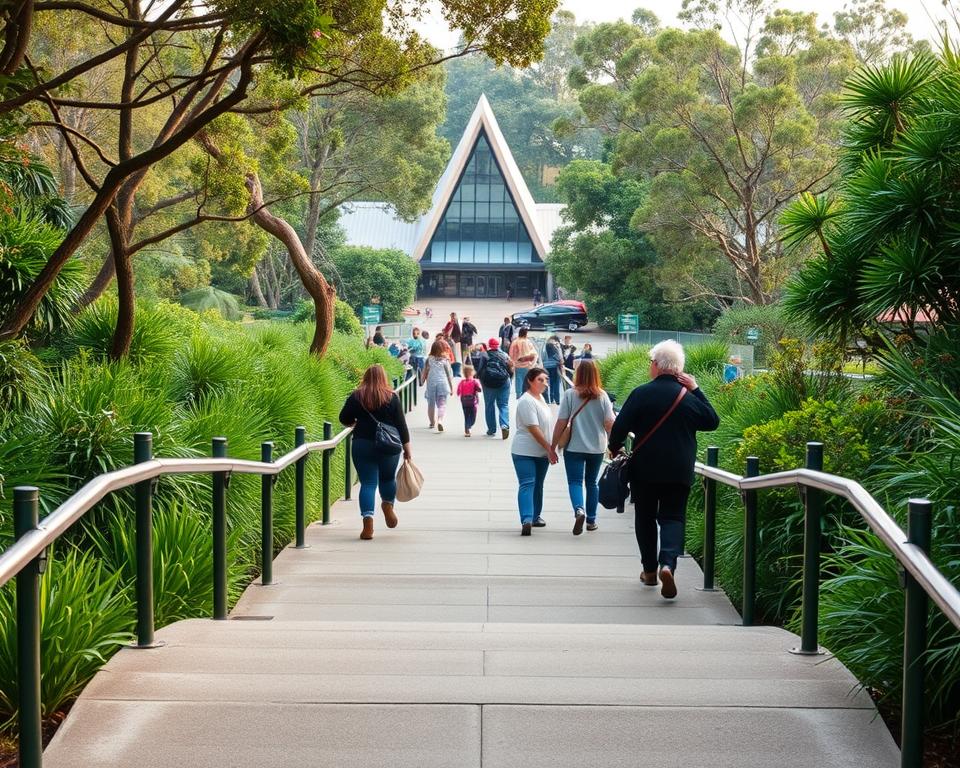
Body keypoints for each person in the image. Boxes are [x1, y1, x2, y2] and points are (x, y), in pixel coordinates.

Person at [608, 340, 720, 599]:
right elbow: (712, 421)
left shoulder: (641, 393)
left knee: (645, 518)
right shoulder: (688, 398)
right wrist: (697, 389)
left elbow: (620, 426)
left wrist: (615, 448)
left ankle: (649, 572)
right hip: (678, 469)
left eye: (651, 363)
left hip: (645, 468)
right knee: (673, 517)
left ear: (657, 365)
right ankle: (667, 564)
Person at [338, 364, 411, 541]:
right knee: (387, 478)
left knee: (368, 483)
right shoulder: (391, 397)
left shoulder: (357, 396)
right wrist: (407, 450)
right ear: (383, 378)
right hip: (389, 446)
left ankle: (368, 523)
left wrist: (354, 422)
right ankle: (387, 505)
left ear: (366, 377)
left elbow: (343, 418)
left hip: (362, 443)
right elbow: (401, 425)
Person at [551, 360, 615, 536]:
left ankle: (579, 510)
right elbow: (609, 424)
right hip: (597, 448)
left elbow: (562, 422)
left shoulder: (570, 394)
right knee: (592, 483)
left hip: (574, 447)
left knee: (575, 482)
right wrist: (613, 445)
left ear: (578, 374)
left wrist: (553, 445)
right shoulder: (602, 396)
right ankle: (592, 520)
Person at [511, 368, 558, 536]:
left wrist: (549, 448)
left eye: (546, 379)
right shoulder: (526, 401)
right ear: (530, 380)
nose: (544, 383)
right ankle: (526, 519)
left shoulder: (541, 398)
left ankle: (535, 516)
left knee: (538, 485)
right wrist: (549, 448)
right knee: (527, 483)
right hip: (524, 450)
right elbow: (533, 428)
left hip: (542, 452)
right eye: (540, 379)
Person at [478, 337, 513, 439]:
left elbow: (480, 370)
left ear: (489, 345)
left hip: (488, 383)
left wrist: (481, 381)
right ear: (498, 346)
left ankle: (491, 429)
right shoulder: (504, 355)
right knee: (503, 405)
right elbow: (510, 369)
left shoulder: (484, 355)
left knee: (489, 405)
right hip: (503, 381)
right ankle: (504, 425)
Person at [421, 339, 455, 432]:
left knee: (431, 404)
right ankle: (440, 421)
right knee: (442, 404)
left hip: (431, 384)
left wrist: (422, 381)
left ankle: (432, 422)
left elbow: (424, 372)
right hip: (443, 383)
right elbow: (449, 375)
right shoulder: (445, 361)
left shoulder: (429, 360)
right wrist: (452, 388)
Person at [509, 326, 539, 398]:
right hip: (527, 365)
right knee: (527, 380)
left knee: (518, 380)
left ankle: (518, 394)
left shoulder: (515, 342)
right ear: (526, 334)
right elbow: (535, 354)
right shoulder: (528, 342)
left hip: (518, 365)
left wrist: (513, 364)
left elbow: (511, 354)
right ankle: (526, 394)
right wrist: (532, 364)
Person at [457, 365, 482, 437]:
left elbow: (458, 391)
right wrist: (478, 389)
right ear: (472, 373)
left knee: (466, 415)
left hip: (464, 401)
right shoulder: (474, 381)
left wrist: (459, 393)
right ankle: (469, 426)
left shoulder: (462, 382)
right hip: (472, 401)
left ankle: (467, 429)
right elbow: (479, 389)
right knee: (473, 416)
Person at [542, 334, 564, 405]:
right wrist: (561, 361)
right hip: (555, 366)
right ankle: (557, 401)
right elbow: (560, 357)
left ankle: (549, 400)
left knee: (548, 383)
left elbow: (542, 356)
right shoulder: (556, 345)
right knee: (556, 384)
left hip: (546, 367)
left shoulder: (544, 345)